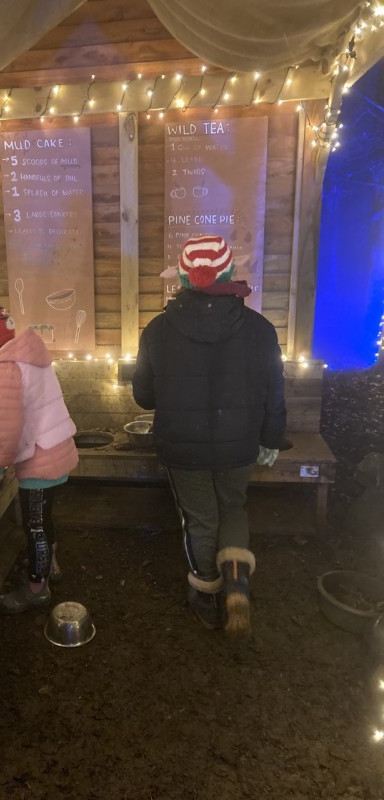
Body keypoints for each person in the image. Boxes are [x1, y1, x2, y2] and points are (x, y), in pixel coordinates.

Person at [132, 235, 286, 636]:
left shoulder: (157, 330)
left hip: (183, 449)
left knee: (200, 519)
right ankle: (236, 582)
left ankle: (206, 592)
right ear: (231, 273)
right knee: (233, 508)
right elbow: (275, 393)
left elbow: (144, 397)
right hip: (240, 446)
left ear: (183, 277)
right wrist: (271, 439)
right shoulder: (260, 329)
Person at [0, 311, 79, 614]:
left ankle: (37, 588)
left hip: (39, 457)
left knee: (34, 527)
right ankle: (51, 566)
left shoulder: (6, 368)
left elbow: (6, 427)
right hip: (55, 447)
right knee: (44, 520)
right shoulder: (28, 355)